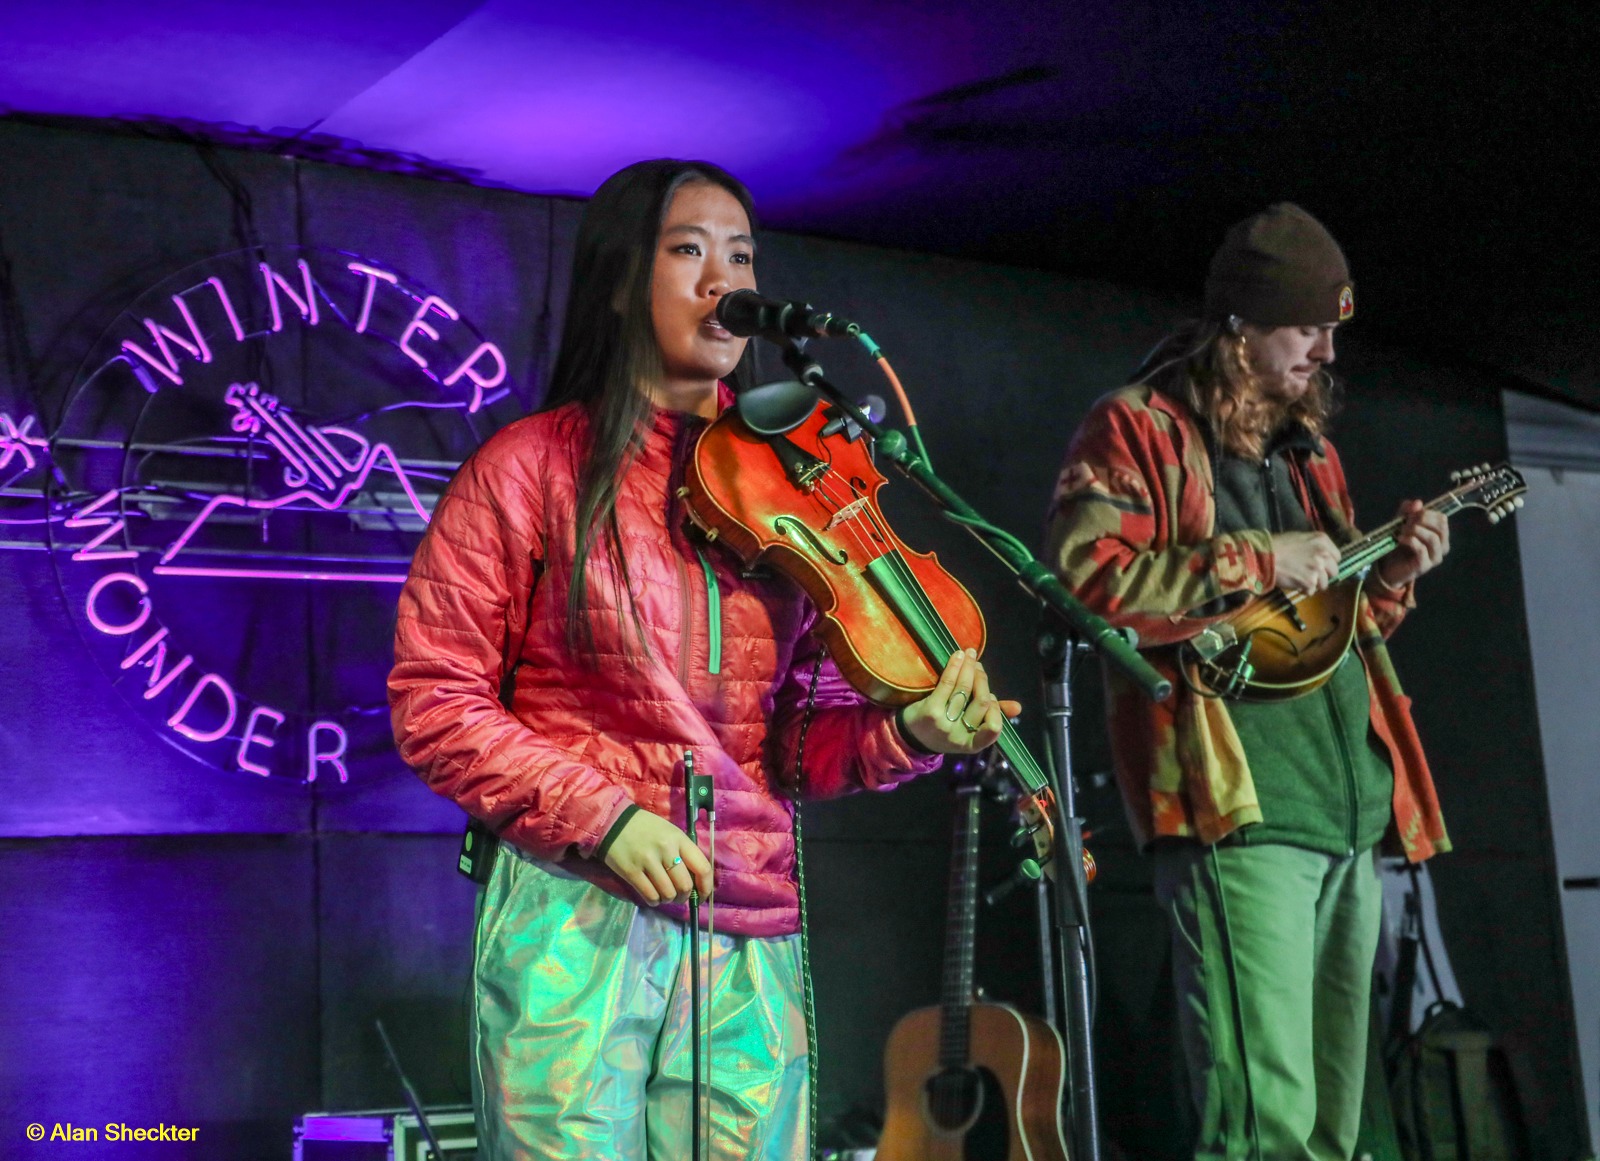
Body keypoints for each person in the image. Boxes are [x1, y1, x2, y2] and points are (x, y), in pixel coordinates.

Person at [388, 158, 1015, 1161]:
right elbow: (435, 701)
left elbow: (798, 739)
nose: (723, 279)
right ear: (617, 280)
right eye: (688, 251)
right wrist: (603, 818)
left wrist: (907, 733)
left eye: (740, 254)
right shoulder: (528, 469)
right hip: (576, 909)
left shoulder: (792, 488)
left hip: (750, 922)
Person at [1043, 203, 1452, 1160]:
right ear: (1239, 328)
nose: (1325, 353)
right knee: (1262, 1123)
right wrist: (1252, 559)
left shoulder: (1311, 450)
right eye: (1305, 330)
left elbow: (1335, 622)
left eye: (1331, 332)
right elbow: (1084, 579)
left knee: (1333, 1129)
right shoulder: (1136, 425)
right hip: (1239, 814)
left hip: (1345, 808)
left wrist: (1385, 578)